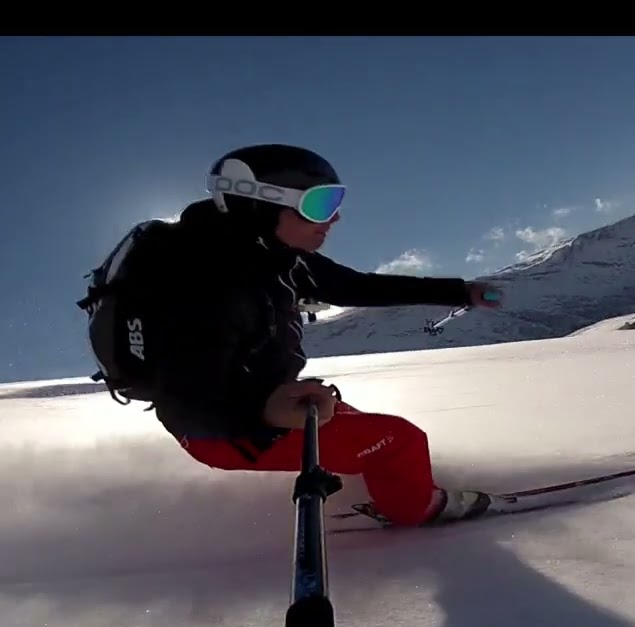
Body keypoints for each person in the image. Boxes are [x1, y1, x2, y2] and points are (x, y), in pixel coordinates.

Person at [87, 143, 503, 527]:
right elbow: (186, 400)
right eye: (319, 205)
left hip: (266, 404)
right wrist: (265, 412)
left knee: (356, 425)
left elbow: (356, 287)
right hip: (222, 431)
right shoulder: (205, 285)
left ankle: (392, 483)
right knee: (398, 440)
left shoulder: (274, 256)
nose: (334, 218)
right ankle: (416, 508)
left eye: (335, 200)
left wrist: (457, 291)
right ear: (261, 207)